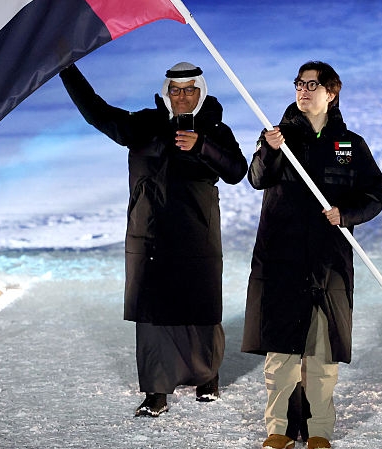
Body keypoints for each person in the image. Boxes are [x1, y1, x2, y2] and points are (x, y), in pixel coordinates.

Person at [59, 61, 248, 417]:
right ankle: (155, 391)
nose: (182, 97)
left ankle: (207, 377)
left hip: (197, 234)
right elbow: (97, 113)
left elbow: (238, 171)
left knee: (201, 308)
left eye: (190, 89)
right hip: (150, 234)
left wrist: (202, 146)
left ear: (201, 91)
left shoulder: (215, 128)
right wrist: (66, 69)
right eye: (176, 90)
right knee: (153, 315)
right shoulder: (144, 124)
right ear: (166, 92)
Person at [242, 61, 382, 449]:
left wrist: (346, 213)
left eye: (313, 84)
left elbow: (377, 195)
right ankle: (279, 427)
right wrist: (270, 151)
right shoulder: (277, 137)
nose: (304, 91)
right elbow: (257, 178)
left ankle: (319, 426)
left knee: (322, 355)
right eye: (299, 84)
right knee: (282, 353)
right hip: (282, 259)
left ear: (331, 92)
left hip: (329, 263)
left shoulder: (350, 144)